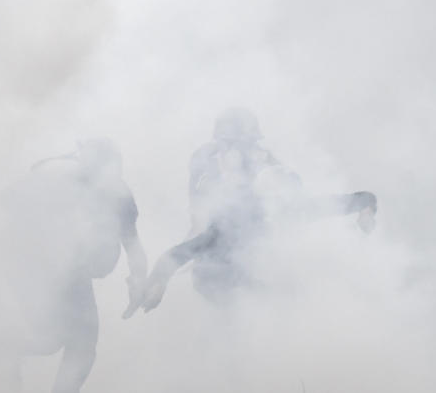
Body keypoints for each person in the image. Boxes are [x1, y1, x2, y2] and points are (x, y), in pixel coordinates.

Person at [139, 108, 377, 311]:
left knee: (288, 299)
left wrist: (367, 209)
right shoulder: (231, 218)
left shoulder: (290, 204)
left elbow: (345, 202)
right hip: (218, 280)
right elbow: (181, 251)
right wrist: (159, 283)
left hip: (254, 275)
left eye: (244, 145)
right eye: (231, 145)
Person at [7, 138, 147, 393]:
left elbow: (132, 242)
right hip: (41, 267)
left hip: (71, 272)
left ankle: (1, 348)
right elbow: (7, 214)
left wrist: (139, 280)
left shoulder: (117, 194)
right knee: (73, 341)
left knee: (56, 340)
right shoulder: (55, 183)